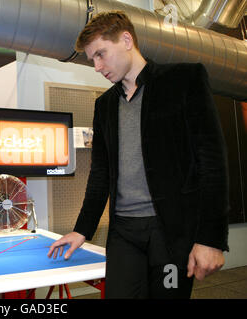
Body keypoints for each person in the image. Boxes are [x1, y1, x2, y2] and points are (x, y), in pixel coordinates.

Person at [47, 11, 229, 299]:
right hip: (125, 235)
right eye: (92, 58)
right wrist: (82, 229)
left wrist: (210, 239)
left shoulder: (184, 80)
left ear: (127, 39)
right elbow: (100, 174)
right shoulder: (105, 105)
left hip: (171, 236)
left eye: (101, 54)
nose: (97, 66)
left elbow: (213, 164)